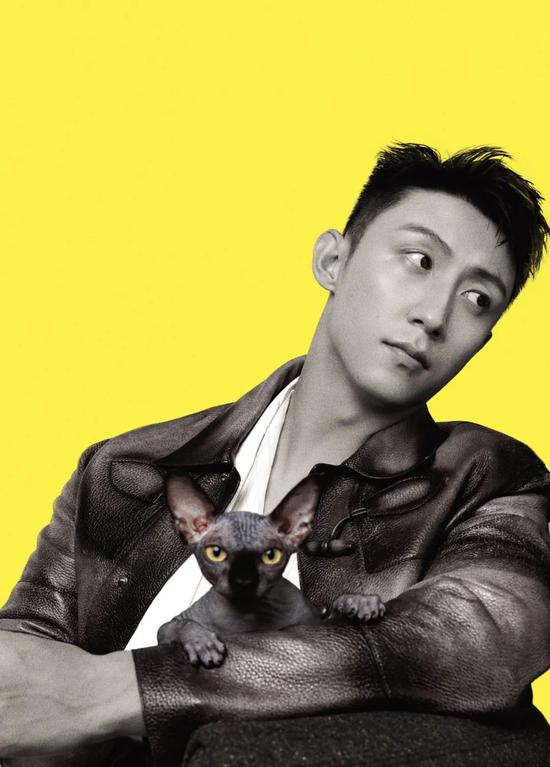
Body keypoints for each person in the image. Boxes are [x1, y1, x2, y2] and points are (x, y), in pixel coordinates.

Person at [1, 143, 549, 767]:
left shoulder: (489, 480)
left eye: (478, 299)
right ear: (333, 260)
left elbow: (470, 646)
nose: (434, 315)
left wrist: (120, 690)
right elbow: (22, 661)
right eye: (420, 261)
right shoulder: (128, 469)